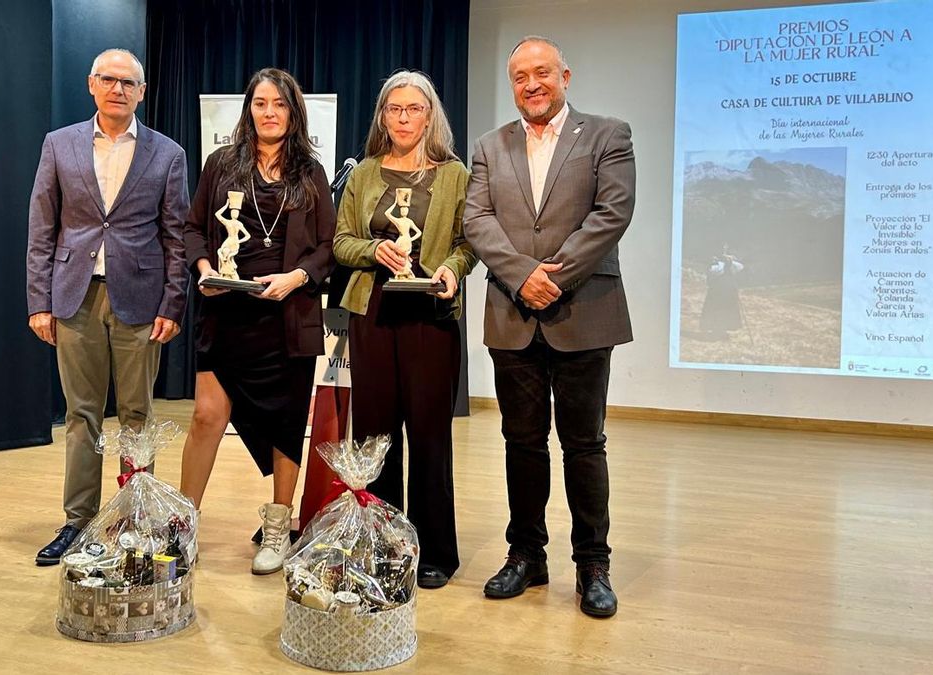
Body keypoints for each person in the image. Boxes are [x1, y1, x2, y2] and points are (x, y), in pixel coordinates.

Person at [463, 36, 635, 617]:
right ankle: (526, 557)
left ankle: (593, 566)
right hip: (513, 315)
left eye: (541, 73)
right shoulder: (490, 145)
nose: (531, 85)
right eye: (519, 77)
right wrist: (521, 275)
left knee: (585, 444)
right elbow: (478, 220)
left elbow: (612, 213)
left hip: (583, 311)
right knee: (522, 444)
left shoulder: (608, 135)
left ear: (565, 74)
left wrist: (554, 277)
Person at [26, 48, 189, 565]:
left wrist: (174, 302)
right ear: (91, 85)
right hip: (73, 298)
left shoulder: (167, 154)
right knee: (81, 415)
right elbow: (41, 229)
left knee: (138, 414)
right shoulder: (59, 145)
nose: (119, 89)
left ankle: (133, 519)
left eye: (129, 82)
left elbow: (177, 237)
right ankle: (77, 521)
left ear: (142, 93)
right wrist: (39, 300)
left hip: (141, 302)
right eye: (109, 80)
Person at [179, 68, 335, 575]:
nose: (269, 113)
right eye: (260, 103)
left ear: (293, 111)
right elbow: (193, 230)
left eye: (280, 104)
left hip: (287, 316)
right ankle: (183, 526)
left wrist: (297, 277)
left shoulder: (311, 171)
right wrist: (205, 270)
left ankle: (277, 526)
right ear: (248, 109)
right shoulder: (221, 163)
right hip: (226, 312)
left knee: (286, 425)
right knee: (206, 415)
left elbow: (328, 247)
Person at [333, 70, 476, 589]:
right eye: (394, 108)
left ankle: (436, 551)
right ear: (382, 115)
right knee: (375, 435)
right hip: (371, 315)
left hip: (432, 316)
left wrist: (452, 271)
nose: (403, 118)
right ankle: (383, 547)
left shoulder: (456, 174)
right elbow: (341, 243)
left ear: (430, 114)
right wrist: (375, 251)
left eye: (414, 108)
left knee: (431, 436)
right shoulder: (364, 173)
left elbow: (469, 243)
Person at [700, 244, 745, 339]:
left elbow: (739, 268)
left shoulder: (730, 259)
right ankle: (716, 331)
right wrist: (724, 264)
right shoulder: (713, 260)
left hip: (729, 289)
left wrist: (730, 262)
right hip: (717, 289)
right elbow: (712, 272)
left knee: (728, 309)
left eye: (725, 247)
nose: (723, 249)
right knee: (716, 309)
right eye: (721, 247)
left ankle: (724, 330)